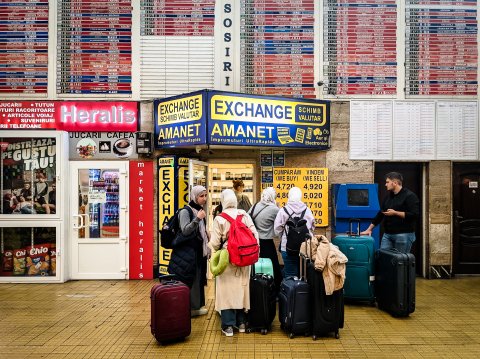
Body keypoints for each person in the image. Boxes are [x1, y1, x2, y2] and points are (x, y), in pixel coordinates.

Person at [210, 189, 259, 337]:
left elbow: (214, 243)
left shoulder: (219, 219)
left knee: (227, 292)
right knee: (241, 291)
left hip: (227, 259)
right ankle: (242, 323)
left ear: (223, 201)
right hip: (244, 259)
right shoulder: (244, 215)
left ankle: (228, 326)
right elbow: (255, 235)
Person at [168, 185, 210, 317]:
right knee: (192, 279)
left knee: (198, 278)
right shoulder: (185, 211)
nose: (204, 198)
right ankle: (191, 308)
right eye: (201, 196)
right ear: (194, 197)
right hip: (188, 253)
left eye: (205, 195)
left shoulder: (199, 209)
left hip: (197, 252)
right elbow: (185, 230)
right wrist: (198, 219)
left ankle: (196, 306)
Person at [360, 172, 419, 253]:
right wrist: (369, 229)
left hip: (404, 235)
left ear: (395, 183)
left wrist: (395, 213)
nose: (385, 184)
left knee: (400, 262)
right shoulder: (389, 196)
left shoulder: (410, 196)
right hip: (388, 235)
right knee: (384, 259)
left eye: (387, 182)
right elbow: (381, 213)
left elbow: (415, 215)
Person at [274, 186, 315, 279]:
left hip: (287, 247)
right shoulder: (307, 210)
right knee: (304, 274)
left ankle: (290, 291)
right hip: (305, 248)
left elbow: (277, 229)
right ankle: (302, 291)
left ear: (289, 196)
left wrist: (284, 236)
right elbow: (312, 227)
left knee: (289, 274)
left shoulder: (283, 211)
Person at [248, 187, 282, 292]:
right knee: (273, 267)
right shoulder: (274, 209)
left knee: (256, 267)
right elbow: (281, 222)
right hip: (267, 243)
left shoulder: (255, 205)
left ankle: (257, 289)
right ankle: (273, 291)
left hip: (254, 242)